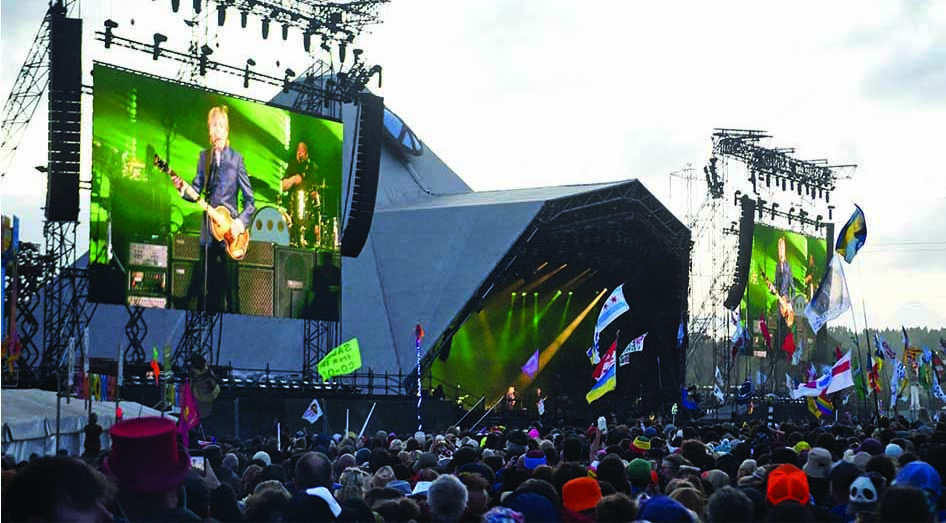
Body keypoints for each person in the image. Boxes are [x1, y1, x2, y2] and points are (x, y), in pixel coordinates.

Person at [172, 105, 255, 314]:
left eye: (219, 126)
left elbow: (250, 202)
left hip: (230, 234)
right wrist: (182, 190)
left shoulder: (237, 160)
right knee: (203, 287)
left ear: (226, 130)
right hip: (208, 233)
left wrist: (239, 224)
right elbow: (196, 190)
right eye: (212, 126)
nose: (215, 131)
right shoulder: (204, 158)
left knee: (230, 290)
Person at [280, 141, 323, 248]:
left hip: (308, 210)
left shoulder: (312, 167)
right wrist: (293, 179)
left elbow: (317, 187)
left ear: (307, 153)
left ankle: (309, 238)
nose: (300, 153)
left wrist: (315, 194)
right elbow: (283, 185)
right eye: (298, 150)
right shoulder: (291, 166)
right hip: (292, 207)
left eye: (302, 150)